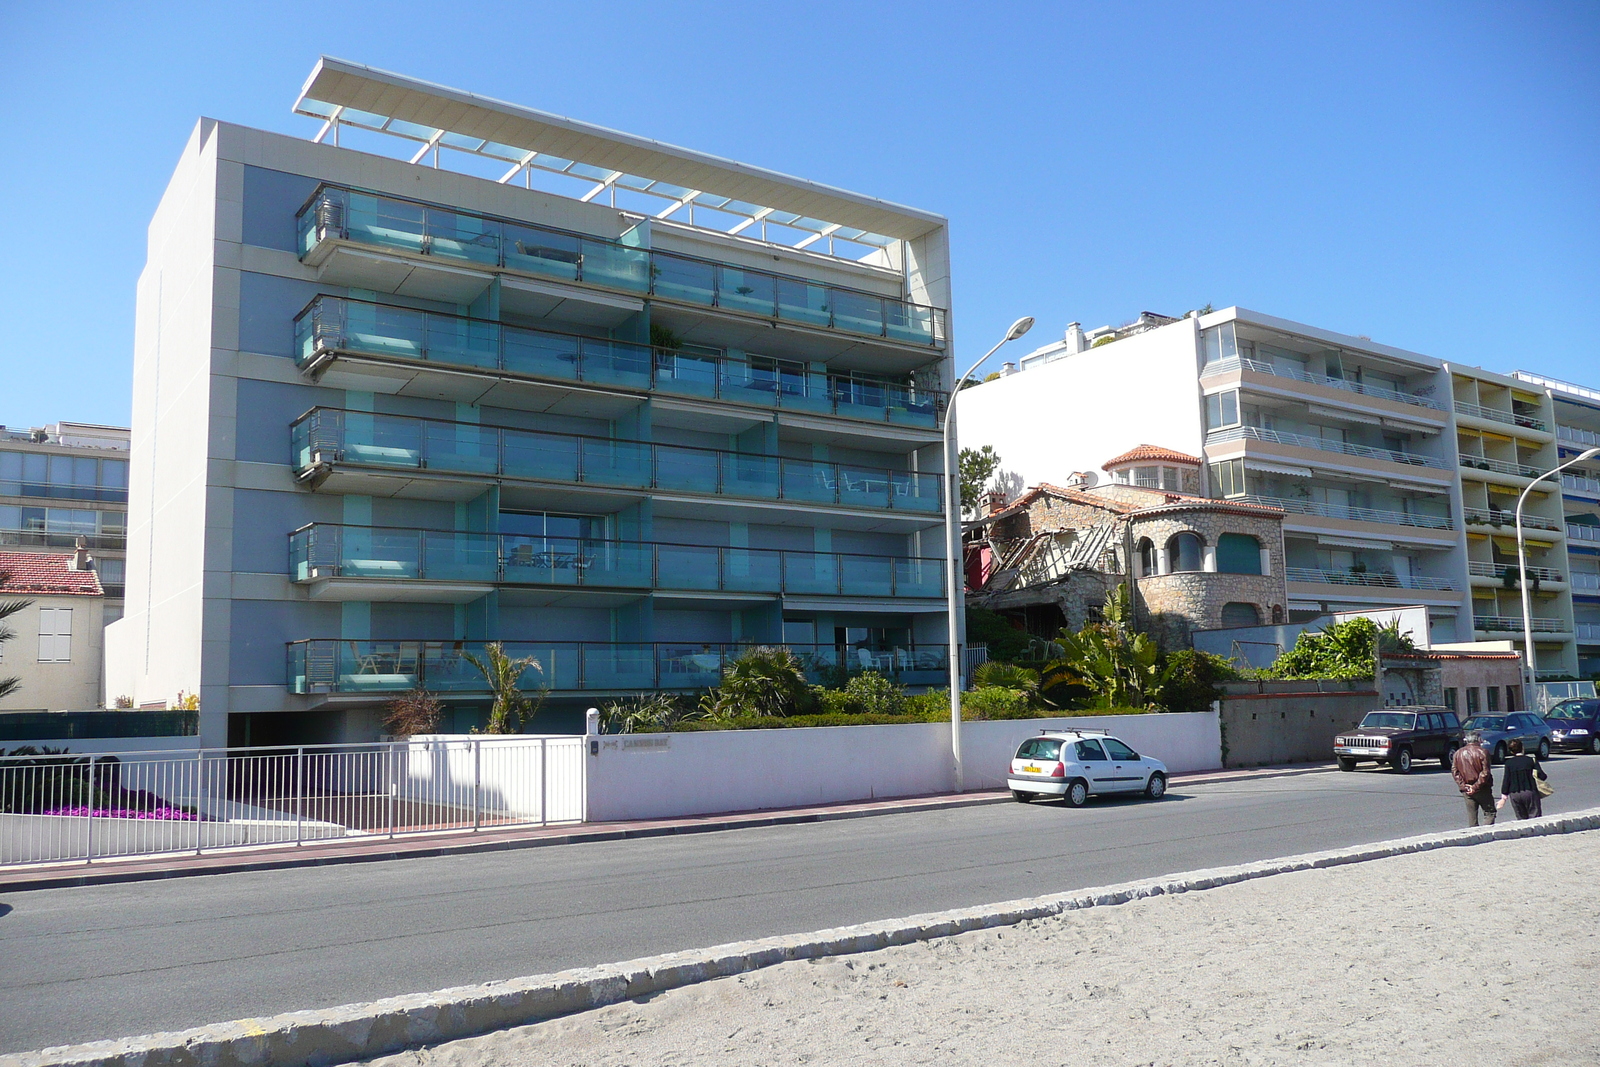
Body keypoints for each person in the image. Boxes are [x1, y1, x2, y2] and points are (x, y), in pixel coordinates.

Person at [1496, 738, 1548, 820]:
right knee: (1534, 817)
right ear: (1522, 748)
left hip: (1515, 794)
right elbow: (1543, 776)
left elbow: (1506, 780)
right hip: (1530, 791)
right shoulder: (1530, 760)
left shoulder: (1509, 763)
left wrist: (1504, 796)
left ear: (1511, 751)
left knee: (1521, 819)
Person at [1451, 735, 1495, 826]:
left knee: (1472, 816)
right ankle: (1485, 832)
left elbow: (1455, 772)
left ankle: (1474, 833)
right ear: (1478, 740)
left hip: (1467, 789)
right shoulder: (1483, 752)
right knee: (1489, 812)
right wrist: (1475, 787)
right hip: (1482, 788)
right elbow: (1485, 772)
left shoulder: (1458, 753)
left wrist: (1463, 786)